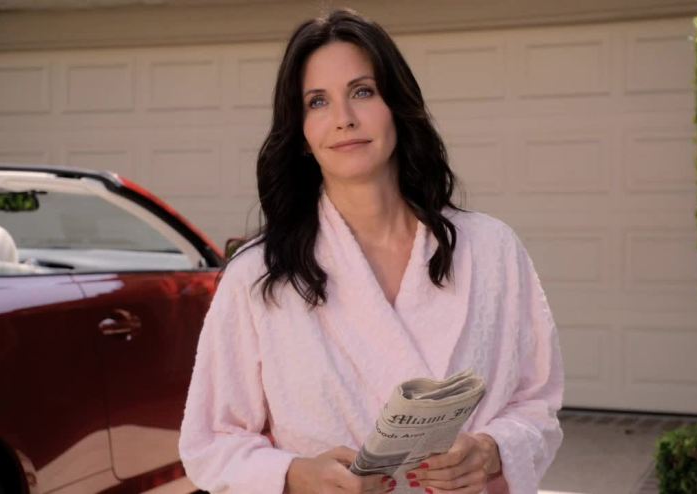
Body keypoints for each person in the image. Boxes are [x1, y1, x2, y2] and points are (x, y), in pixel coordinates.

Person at [179, 8, 563, 494]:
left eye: (362, 92)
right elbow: (211, 441)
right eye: (318, 102)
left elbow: (538, 403)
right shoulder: (259, 276)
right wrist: (294, 475)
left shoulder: (492, 250)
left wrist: (492, 451)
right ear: (301, 132)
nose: (344, 119)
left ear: (397, 105)